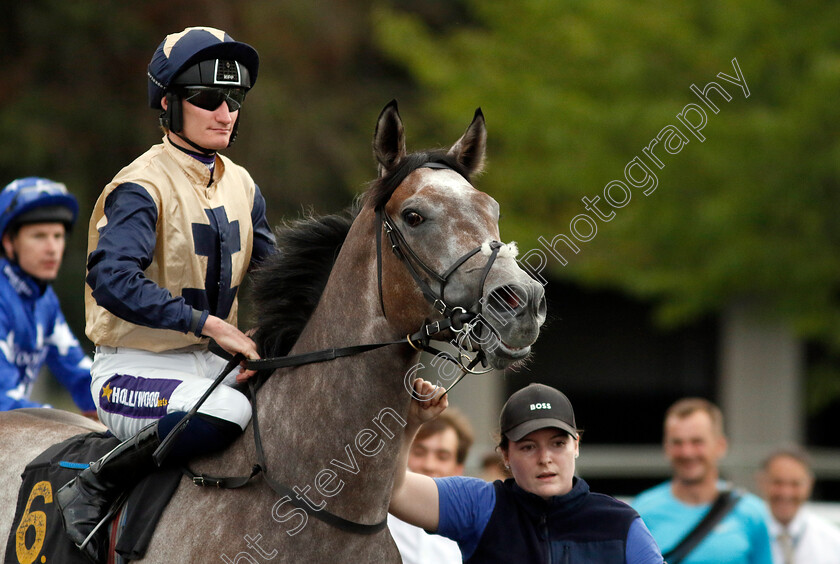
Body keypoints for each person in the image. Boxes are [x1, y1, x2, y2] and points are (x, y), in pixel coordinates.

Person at [55, 26, 276, 561]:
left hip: (212, 369)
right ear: (168, 103)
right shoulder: (139, 186)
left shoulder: (243, 185)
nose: (226, 112)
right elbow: (110, 279)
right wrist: (211, 326)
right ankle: (95, 482)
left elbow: (278, 277)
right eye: (208, 98)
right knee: (230, 415)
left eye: (235, 99)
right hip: (131, 371)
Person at [391, 381, 664, 563]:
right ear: (505, 455)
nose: (545, 459)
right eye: (528, 447)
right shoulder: (479, 504)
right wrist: (412, 424)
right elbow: (394, 492)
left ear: (576, 446)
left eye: (558, 444)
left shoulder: (621, 524)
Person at [632, 398, 773, 564]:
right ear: (666, 447)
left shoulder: (753, 513)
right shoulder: (640, 513)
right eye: (677, 442)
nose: (687, 452)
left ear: (720, 446)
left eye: (697, 442)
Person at [0, 177, 96, 414]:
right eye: (39, 236)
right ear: (9, 243)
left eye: (58, 236)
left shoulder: (44, 299)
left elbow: (83, 377)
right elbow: (4, 401)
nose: (52, 248)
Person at [388, 408, 474, 564]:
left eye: (442, 457)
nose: (429, 465)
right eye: (419, 453)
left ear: (458, 469)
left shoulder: (470, 525)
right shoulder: (376, 512)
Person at [757, 447, 840, 564]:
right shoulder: (745, 539)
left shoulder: (833, 542)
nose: (786, 493)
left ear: (810, 484)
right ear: (762, 482)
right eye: (777, 482)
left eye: (795, 484)